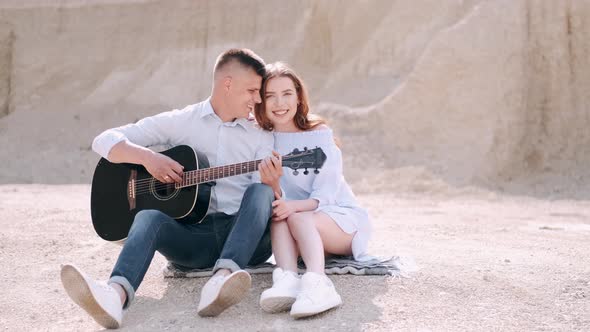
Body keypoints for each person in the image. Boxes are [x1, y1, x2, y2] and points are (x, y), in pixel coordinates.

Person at [60, 48, 284, 329]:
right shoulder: (183, 121)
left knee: (261, 191)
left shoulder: (261, 133)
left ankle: (222, 280)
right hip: (192, 241)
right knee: (148, 216)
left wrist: (273, 184)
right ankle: (113, 296)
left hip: (245, 240)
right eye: (252, 90)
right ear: (228, 84)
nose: (257, 99)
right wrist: (149, 158)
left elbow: (263, 207)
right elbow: (104, 140)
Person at [254, 62, 371, 318]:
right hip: (296, 224)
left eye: (286, 93)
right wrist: (274, 185)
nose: (279, 103)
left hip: (338, 218)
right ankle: (287, 279)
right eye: (270, 96)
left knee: (293, 214)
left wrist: (292, 207)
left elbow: (325, 195)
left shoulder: (319, 134)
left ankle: (318, 283)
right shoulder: (261, 139)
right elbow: (273, 197)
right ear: (260, 101)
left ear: (298, 96)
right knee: (280, 216)